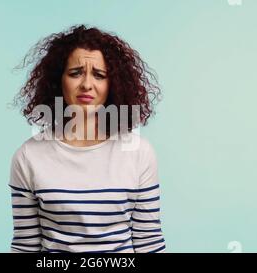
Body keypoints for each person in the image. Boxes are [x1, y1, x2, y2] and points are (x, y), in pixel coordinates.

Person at [9, 25, 165, 253]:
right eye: (75, 73)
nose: (87, 85)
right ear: (57, 80)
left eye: (99, 75)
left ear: (113, 84)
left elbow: (149, 242)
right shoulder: (27, 156)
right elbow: (25, 246)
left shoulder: (139, 153)